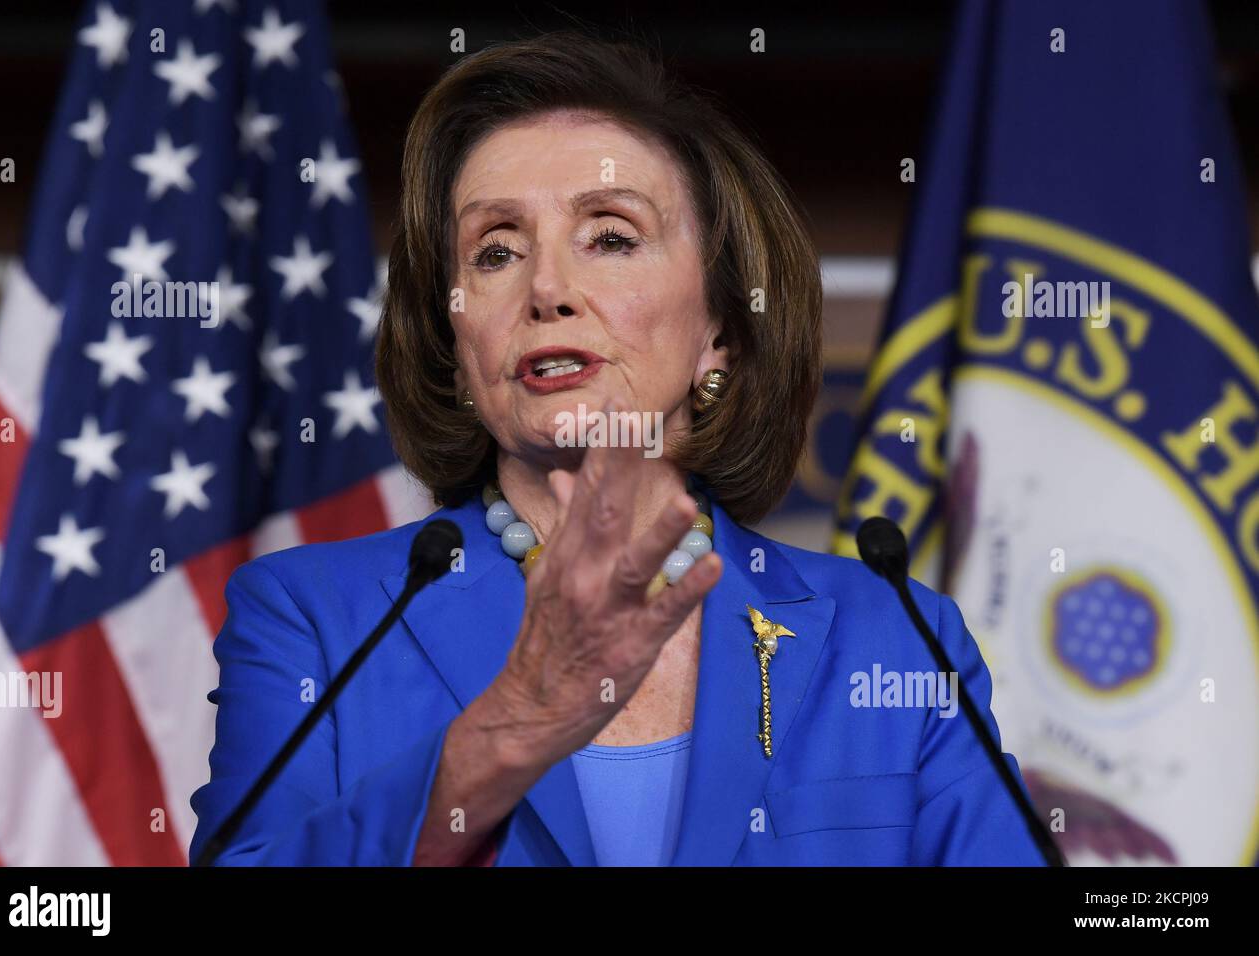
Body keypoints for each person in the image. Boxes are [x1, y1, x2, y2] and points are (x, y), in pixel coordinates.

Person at [189, 32, 1046, 866]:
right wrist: (520, 716)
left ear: (720, 328)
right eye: (495, 251)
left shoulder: (893, 636)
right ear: (455, 344)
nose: (548, 289)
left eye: (610, 236)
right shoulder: (317, 620)